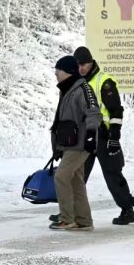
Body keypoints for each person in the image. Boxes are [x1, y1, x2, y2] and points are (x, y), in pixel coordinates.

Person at [74, 46, 134, 225]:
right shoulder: (79, 83)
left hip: (103, 136)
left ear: (91, 62)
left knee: (113, 174)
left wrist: (114, 137)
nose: (81, 68)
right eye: (78, 65)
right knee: (78, 175)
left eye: (84, 64)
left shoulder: (104, 82)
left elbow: (116, 111)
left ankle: (127, 210)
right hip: (85, 137)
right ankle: (69, 212)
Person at [49, 55, 102, 231]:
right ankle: (84, 220)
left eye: (59, 70)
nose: (56, 73)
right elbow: (60, 120)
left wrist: (89, 137)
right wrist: (57, 146)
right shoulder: (68, 89)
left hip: (80, 143)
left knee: (61, 176)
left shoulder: (82, 89)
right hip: (70, 143)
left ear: (69, 72)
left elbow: (94, 113)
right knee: (75, 181)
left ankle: (67, 218)